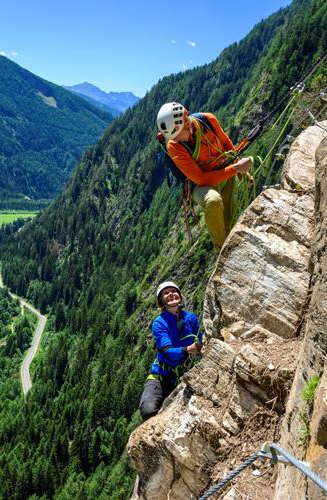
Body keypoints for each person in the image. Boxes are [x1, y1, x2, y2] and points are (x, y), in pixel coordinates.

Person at [157, 102, 253, 250]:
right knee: (213, 201)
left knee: (230, 221)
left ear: (187, 124)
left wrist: (241, 171)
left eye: (177, 135)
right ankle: (222, 251)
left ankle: (234, 248)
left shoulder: (208, 120)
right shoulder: (174, 146)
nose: (175, 140)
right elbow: (201, 178)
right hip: (199, 185)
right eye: (173, 137)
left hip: (224, 172)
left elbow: (226, 143)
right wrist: (236, 169)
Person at [139, 281, 202, 421]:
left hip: (184, 375)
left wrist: (199, 347)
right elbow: (168, 351)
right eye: (166, 293)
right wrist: (187, 350)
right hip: (161, 377)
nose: (170, 294)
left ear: (179, 295)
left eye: (173, 291)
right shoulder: (159, 322)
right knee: (148, 411)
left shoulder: (191, 318)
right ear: (162, 301)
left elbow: (200, 340)